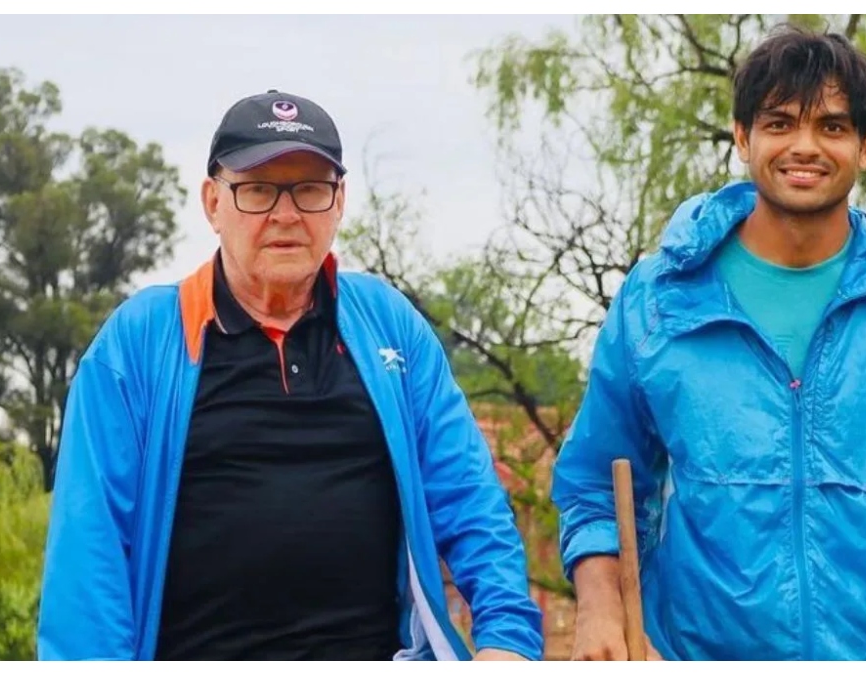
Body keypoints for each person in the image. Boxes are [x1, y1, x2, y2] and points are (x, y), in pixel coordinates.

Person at [551, 25, 866, 661]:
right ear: (743, 138)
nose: (805, 147)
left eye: (831, 126)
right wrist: (601, 612)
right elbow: (594, 480)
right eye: (779, 123)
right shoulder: (660, 298)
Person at [38, 89, 543, 661]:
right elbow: (88, 555)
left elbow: (469, 496)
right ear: (212, 202)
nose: (285, 214)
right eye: (257, 190)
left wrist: (507, 638)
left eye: (309, 189)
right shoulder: (140, 342)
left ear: (339, 202)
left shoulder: (390, 327)